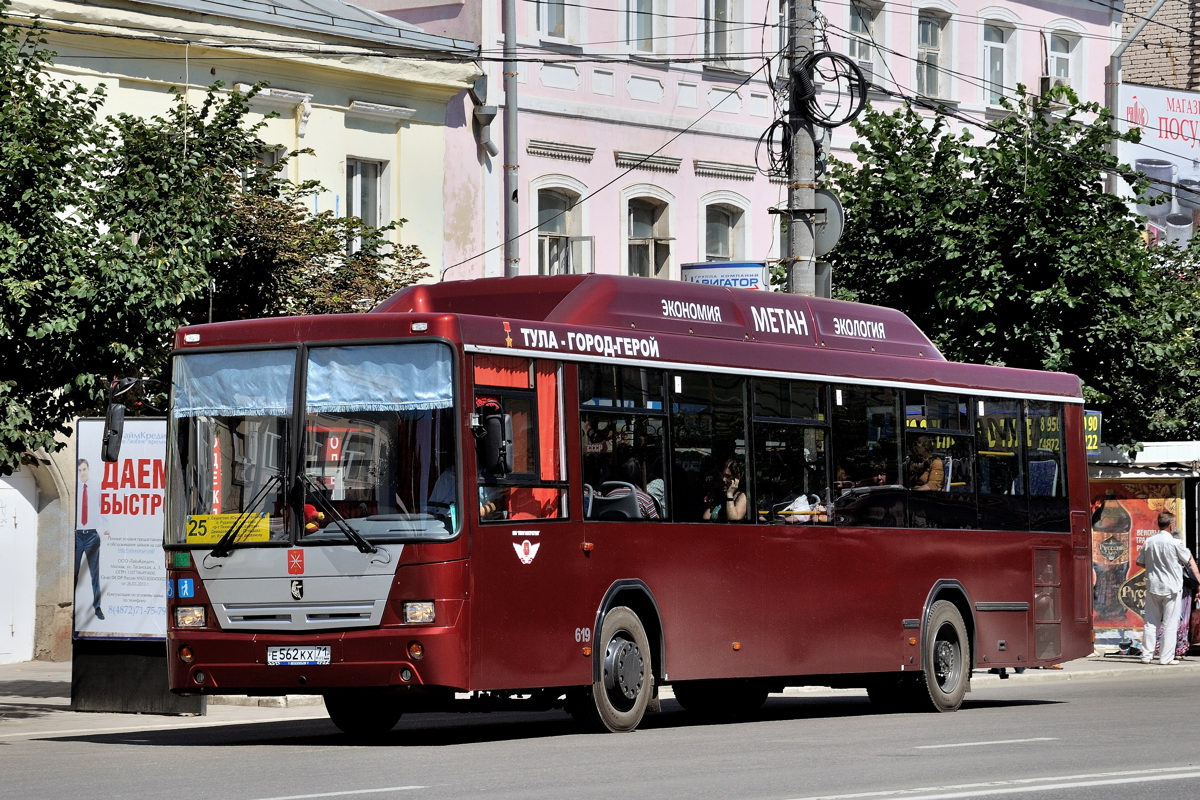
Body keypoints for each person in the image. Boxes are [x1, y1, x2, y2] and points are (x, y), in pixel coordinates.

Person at [1135, 511, 1200, 665]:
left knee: (1150, 622)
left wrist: (1154, 567)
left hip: (1153, 585)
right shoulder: (1175, 543)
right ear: (1171, 526)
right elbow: (1190, 562)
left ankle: (1146, 656)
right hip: (1172, 587)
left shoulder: (1149, 542)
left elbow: (1140, 562)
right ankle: (1166, 658)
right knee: (1170, 623)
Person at [74, 459, 108, 621]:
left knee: (95, 574)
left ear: (89, 469)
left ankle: (97, 607)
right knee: (73, 574)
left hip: (92, 536)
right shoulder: (74, 490)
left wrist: (107, 526)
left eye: (84, 469)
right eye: (79, 470)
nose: (82, 473)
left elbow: (103, 509)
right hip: (77, 535)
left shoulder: (96, 488)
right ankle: (71, 607)